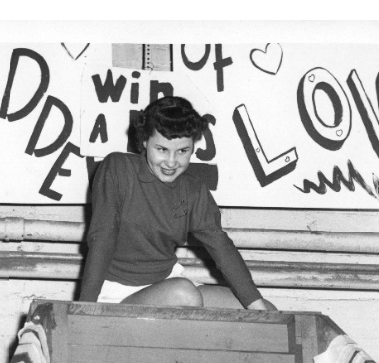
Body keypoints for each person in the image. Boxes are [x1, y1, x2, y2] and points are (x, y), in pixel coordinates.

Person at [77, 96, 277, 311]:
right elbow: (103, 237)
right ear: (144, 141)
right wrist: (85, 308)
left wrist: (257, 306)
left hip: (167, 285)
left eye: (182, 151)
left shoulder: (193, 189)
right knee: (184, 294)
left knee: (267, 311)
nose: (171, 162)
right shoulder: (118, 168)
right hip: (115, 292)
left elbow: (221, 247)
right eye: (161, 149)